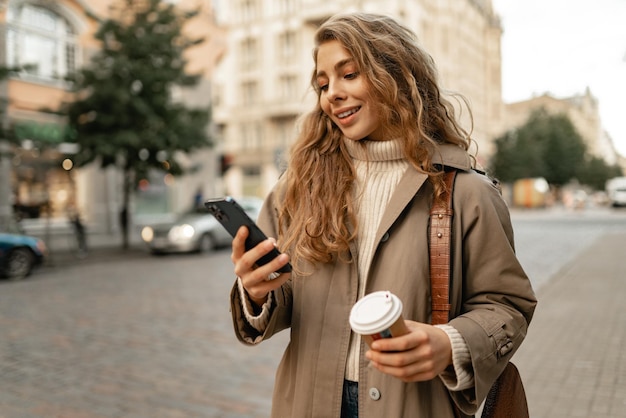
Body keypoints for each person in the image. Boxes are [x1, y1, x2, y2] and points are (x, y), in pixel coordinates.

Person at [228, 12, 536, 418]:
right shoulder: (296, 188)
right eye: (322, 84)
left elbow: (508, 306)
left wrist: (451, 343)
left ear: (397, 75)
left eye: (349, 74)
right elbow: (281, 297)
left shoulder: (466, 192)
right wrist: (255, 291)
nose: (331, 94)